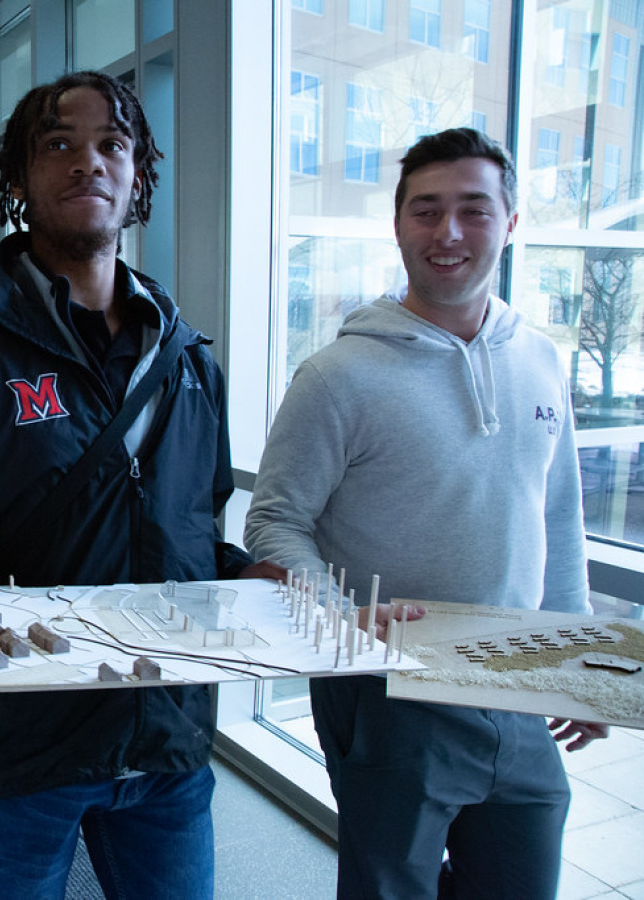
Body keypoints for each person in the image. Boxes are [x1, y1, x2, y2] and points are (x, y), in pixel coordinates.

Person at [0, 71, 283, 900]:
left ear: (137, 175)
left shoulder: (189, 362)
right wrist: (13, 636)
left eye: (111, 144)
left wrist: (241, 575)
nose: (89, 162)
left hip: (168, 741)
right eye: (59, 145)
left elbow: (186, 530)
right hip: (25, 750)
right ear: (18, 177)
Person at [244, 127, 608, 900]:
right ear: (399, 224)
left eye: (474, 210)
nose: (448, 232)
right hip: (389, 693)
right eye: (426, 210)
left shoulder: (541, 358)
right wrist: (339, 618)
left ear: (511, 223)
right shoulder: (338, 377)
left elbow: (558, 515)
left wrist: (575, 665)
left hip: (515, 680)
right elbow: (275, 523)